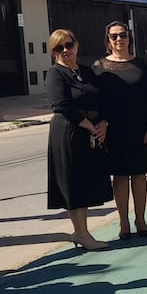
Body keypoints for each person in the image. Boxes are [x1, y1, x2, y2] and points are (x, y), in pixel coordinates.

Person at [92, 21, 147, 240]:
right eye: (114, 36)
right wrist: (101, 122)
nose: (119, 39)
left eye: (123, 35)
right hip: (114, 129)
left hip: (140, 127)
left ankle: (140, 220)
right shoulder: (99, 66)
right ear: (108, 40)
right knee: (120, 177)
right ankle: (123, 223)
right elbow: (97, 101)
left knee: (139, 175)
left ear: (129, 37)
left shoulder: (143, 64)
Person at [46, 29, 113, 251]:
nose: (65, 51)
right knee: (73, 184)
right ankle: (82, 234)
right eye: (59, 47)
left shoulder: (87, 71)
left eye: (69, 45)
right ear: (54, 51)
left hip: (90, 132)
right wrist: (90, 126)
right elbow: (61, 105)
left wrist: (103, 123)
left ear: (77, 45)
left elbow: (103, 100)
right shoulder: (55, 74)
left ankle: (80, 232)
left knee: (85, 182)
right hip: (69, 132)